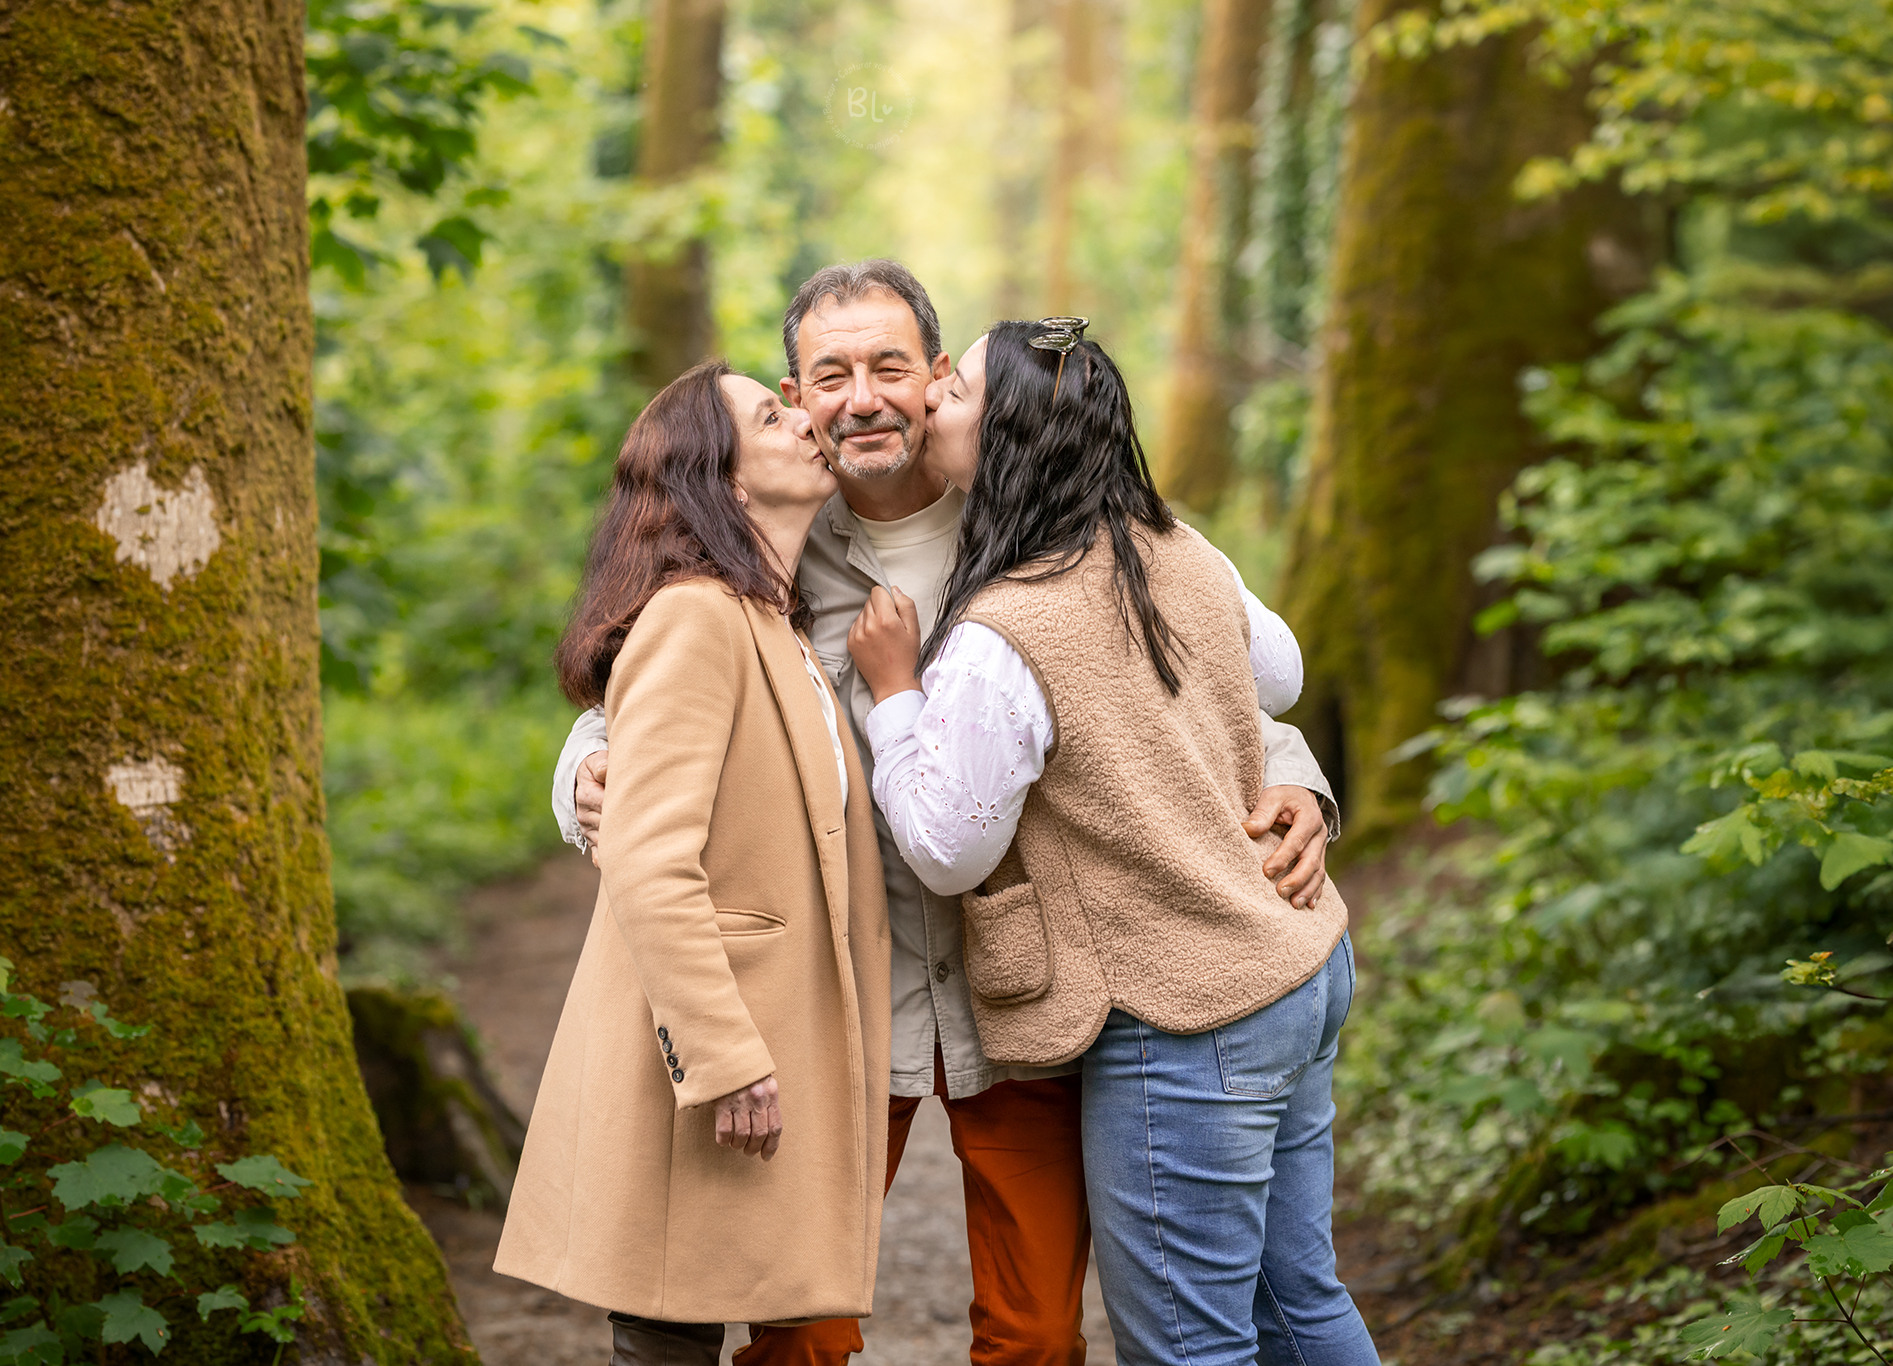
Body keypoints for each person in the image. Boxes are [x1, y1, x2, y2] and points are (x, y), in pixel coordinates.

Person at [553, 261, 1340, 1366]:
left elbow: (1186, 660)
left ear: (935, 378)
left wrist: (1293, 771)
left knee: (1033, 1335)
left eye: (889, 366)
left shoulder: (1029, 502)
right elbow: (639, 676)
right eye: (827, 376)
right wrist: (580, 772)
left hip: (1023, 993)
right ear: (796, 393)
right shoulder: (767, 536)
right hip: (833, 998)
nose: (861, 397)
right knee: (801, 1326)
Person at [848, 318, 1379, 1366]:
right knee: (1296, 1300)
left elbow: (945, 850)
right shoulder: (1172, 546)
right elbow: (1276, 673)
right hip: (1298, 963)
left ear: (1000, 437)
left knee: (1189, 1346)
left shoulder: (1004, 629)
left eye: (949, 390)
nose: (923, 403)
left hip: (1188, 1012)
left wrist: (893, 694)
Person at [492, 361, 893, 1366]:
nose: (804, 418)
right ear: (725, 479)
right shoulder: (695, 616)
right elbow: (647, 854)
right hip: (712, 1051)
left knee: (691, 1319)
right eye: (771, 413)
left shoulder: (772, 622)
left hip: (764, 1045)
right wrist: (721, 1056)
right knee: (666, 1332)